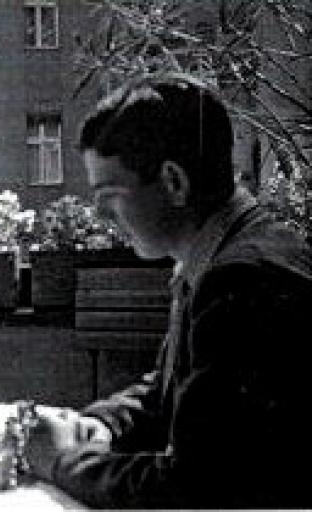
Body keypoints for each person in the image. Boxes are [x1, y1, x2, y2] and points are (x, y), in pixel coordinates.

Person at [23, 73, 312, 508]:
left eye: (109, 193)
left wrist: (64, 462)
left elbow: (193, 487)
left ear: (174, 182)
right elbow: (170, 392)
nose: (99, 212)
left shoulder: (244, 283)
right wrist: (101, 427)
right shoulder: (218, 255)